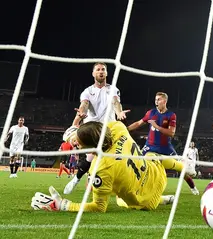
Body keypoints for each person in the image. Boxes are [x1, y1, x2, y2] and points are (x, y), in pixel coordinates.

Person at [31, 121, 174, 212]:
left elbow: (99, 207)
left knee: (119, 197)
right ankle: (180, 176)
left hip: (148, 201)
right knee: (120, 194)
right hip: (158, 175)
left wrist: (63, 205)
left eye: (78, 143)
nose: (76, 146)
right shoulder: (117, 127)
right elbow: (100, 129)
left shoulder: (100, 169)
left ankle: (160, 197)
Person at [64, 62, 129, 194]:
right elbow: (84, 104)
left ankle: (79, 179)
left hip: (108, 128)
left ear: (106, 73)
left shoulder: (113, 89)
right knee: (92, 156)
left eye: (103, 69)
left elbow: (116, 102)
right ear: (93, 74)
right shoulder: (87, 91)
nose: (101, 71)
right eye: (98, 70)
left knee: (107, 159)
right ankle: (78, 180)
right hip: (92, 129)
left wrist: (119, 113)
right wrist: (81, 112)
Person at [127, 92, 199, 195]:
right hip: (150, 146)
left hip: (165, 148)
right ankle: (135, 188)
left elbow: (171, 133)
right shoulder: (150, 113)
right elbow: (139, 123)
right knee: (139, 165)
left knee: (181, 169)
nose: (156, 101)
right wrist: (126, 129)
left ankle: (193, 187)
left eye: (159, 99)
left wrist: (157, 126)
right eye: (156, 99)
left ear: (164, 101)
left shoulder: (171, 115)